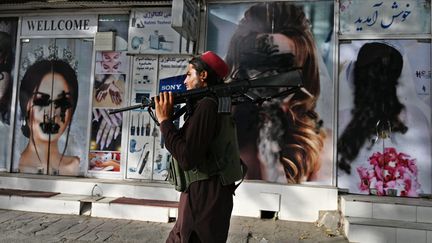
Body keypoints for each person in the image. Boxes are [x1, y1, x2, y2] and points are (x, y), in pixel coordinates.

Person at [225, 2, 326, 183]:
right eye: (256, 65)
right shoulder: (222, 122)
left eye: (282, 67)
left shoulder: (316, 145)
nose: (268, 79)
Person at [154, 51, 243, 243]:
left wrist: (165, 121)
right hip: (204, 193)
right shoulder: (212, 104)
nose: (185, 81)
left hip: (204, 196)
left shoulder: (208, 106)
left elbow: (187, 158)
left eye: (189, 74)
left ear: (203, 76)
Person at [18, 59, 80, 176]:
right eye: (41, 101)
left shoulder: (80, 167)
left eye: (62, 102)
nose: (51, 113)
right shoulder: (11, 167)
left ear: (71, 113)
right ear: (26, 106)